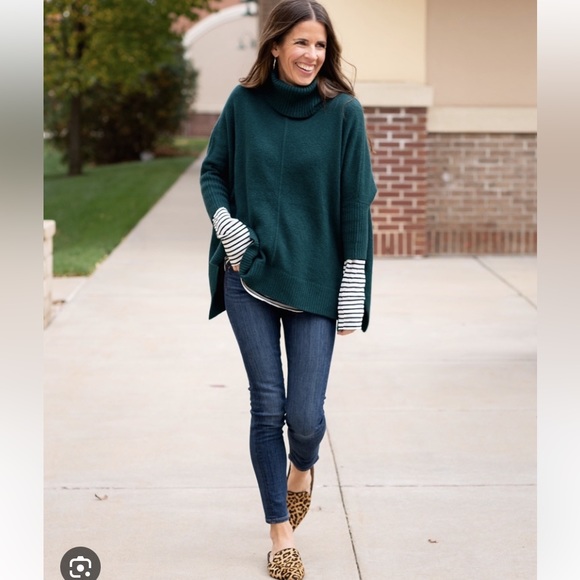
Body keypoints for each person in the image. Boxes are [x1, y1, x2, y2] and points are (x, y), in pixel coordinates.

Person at [200, 0, 376, 577]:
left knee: (304, 415)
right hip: (247, 274)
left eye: (320, 45)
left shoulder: (343, 113)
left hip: (316, 280)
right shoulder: (243, 103)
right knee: (267, 405)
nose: (311, 54)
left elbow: (356, 204)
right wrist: (228, 226)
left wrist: (353, 285)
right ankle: (279, 533)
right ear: (275, 45)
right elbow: (213, 171)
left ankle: (302, 467)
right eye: (301, 42)